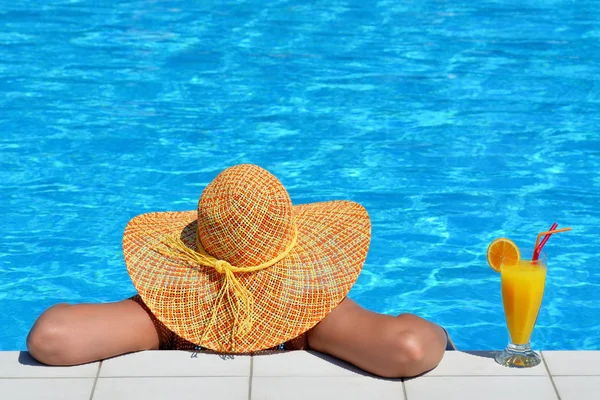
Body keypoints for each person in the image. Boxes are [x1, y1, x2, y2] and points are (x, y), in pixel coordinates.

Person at [26, 164, 453, 378]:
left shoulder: (163, 318)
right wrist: (443, 337)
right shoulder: (313, 316)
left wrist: (165, 321)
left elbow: (52, 337)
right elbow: (410, 349)